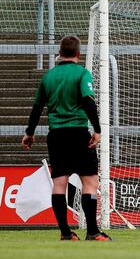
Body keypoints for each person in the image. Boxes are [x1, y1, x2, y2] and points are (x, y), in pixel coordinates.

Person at [21, 35, 111, 241]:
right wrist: (97, 130)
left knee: (59, 183)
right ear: (78, 54)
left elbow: (37, 108)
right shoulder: (82, 74)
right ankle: (92, 232)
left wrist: (29, 133)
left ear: (60, 54)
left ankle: (65, 232)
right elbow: (88, 102)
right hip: (78, 133)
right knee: (90, 181)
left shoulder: (48, 77)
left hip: (56, 136)